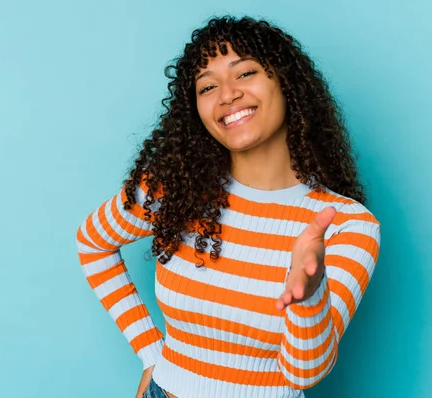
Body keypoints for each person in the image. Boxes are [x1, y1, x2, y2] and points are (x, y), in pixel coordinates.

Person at [75, 15, 381, 398]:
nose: (226, 95)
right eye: (206, 87)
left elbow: (304, 374)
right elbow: (92, 243)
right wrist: (152, 353)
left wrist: (309, 296)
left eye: (245, 73)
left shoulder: (347, 226)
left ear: (286, 82)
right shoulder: (176, 190)